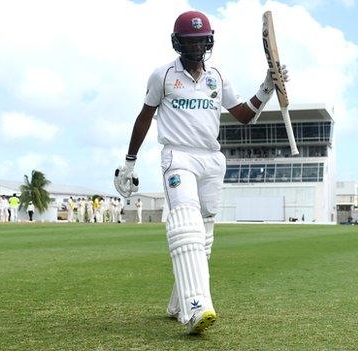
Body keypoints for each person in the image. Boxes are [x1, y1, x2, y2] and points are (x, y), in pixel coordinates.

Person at [113, 10, 288, 335]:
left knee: (204, 236)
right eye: (190, 42)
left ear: (209, 42)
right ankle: (196, 306)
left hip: (211, 159)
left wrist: (266, 87)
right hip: (178, 157)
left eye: (200, 42)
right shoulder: (162, 76)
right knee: (186, 224)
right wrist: (130, 161)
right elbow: (144, 116)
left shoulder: (217, 78)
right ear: (178, 43)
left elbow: (243, 115)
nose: (195, 48)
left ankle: (177, 303)